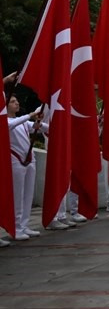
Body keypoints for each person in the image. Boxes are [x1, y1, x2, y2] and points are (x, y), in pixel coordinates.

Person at [7, 90, 44, 241]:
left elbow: (39, 126)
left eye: (16, 101)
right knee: (18, 195)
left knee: (28, 194)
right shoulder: (6, 121)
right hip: (16, 160)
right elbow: (13, 124)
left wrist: (38, 121)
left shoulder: (22, 122)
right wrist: (30, 115)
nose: (17, 103)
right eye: (12, 102)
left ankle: (24, 224)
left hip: (29, 159)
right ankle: (16, 227)